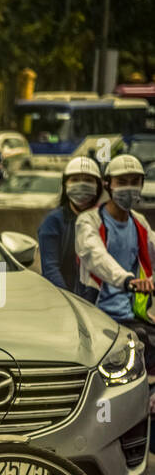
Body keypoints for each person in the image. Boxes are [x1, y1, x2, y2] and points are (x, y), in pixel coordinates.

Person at [75, 153, 155, 373]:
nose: (129, 188)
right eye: (122, 182)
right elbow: (95, 256)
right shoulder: (89, 220)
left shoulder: (139, 222)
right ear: (107, 184)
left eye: (134, 182)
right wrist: (128, 280)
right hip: (99, 315)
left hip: (133, 314)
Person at [38, 156, 102, 298]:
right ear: (65, 184)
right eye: (75, 180)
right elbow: (50, 269)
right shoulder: (53, 221)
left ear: (98, 186)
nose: (81, 184)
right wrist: (72, 300)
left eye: (88, 180)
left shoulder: (105, 220)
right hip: (65, 299)